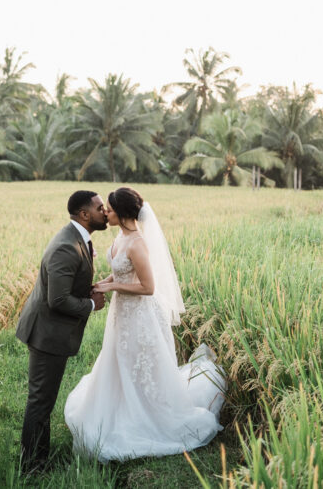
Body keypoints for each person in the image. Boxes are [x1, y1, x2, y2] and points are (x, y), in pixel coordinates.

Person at [64, 187, 225, 462]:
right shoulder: (120, 237)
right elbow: (119, 273)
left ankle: (147, 415)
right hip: (122, 314)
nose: (106, 213)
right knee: (119, 361)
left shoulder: (138, 243)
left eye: (110, 210)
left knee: (140, 365)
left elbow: (148, 287)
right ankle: (121, 407)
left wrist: (113, 285)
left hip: (141, 316)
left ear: (123, 213)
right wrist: (101, 284)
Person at [15, 190, 108, 474]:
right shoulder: (67, 246)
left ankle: (35, 458)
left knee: (42, 400)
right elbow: (57, 300)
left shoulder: (77, 239)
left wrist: (85, 290)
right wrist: (91, 303)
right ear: (84, 214)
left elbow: (65, 288)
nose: (105, 211)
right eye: (99, 207)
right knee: (40, 401)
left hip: (50, 331)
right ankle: (32, 466)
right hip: (47, 334)